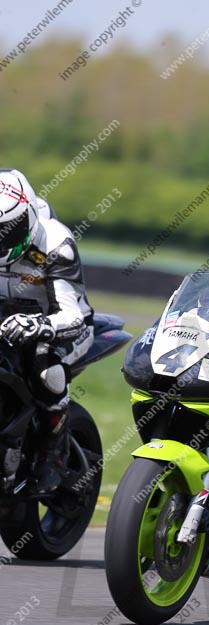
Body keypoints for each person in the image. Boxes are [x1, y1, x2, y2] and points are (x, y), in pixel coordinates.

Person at [0, 169, 93, 493]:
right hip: (4, 318)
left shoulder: (54, 244)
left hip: (57, 323)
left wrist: (38, 325)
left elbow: (72, 314)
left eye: (6, 232)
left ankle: (53, 453)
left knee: (46, 372)